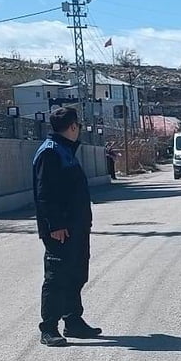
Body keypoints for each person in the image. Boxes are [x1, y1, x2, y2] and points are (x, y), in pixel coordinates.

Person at [33, 106, 102, 346]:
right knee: (56, 277)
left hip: (77, 226)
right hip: (60, 230)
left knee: (76, 274)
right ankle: (49, 328)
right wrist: (55, 225)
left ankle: (73, 321)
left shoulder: (65, 150)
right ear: (73, 126)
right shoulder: (50, 152)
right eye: (78, 125)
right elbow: (45, 194)